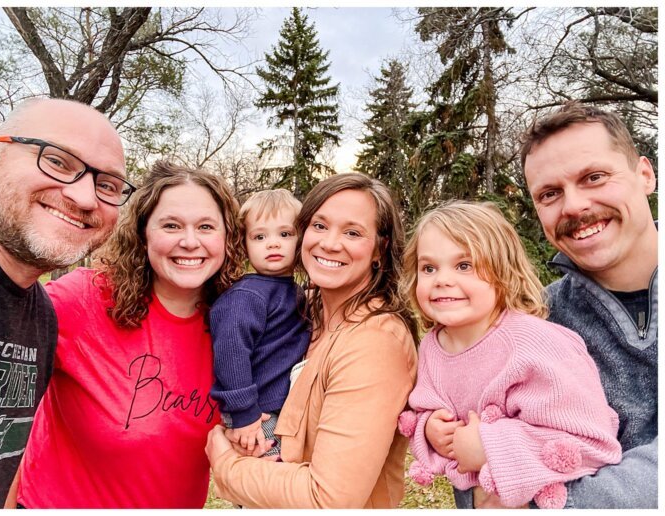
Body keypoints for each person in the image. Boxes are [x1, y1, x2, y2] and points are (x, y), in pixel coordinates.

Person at [456, 102, 658, 508]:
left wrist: (547, 502)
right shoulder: (529, 322)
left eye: (594, 177)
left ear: (645, 175)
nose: (573, 206)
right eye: (550, 194)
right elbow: (475, 476)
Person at [15, 161, 245, 508]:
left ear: (228, 237)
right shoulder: (83, 300)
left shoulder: (238, 326)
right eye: (171, 225)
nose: (189, 241)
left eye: (206, 227)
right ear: (143, 233)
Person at [206, 173, 419, 508]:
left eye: (352, 232)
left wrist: (226, 465)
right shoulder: (308, 312)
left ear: (380, 248)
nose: (330, 243)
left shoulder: (375, 342)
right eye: (320, 226)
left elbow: (329, 500)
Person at [397, 201, 621, 509]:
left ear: (503, 271)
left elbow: (591, 439)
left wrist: (490, 447)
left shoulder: (535, 343)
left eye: (464, 265)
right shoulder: (433, 347)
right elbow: (427, 405)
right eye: (429, 268)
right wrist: (430, 430)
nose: (442, 279)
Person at [0, 98, 130, 508]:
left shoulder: (42, 316)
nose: (85, 198)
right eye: (59, 162)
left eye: (108, 186)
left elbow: (10, 456)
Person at [209, 189, 310, 457]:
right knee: (267, 485)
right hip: (257, 413)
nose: (273, 244)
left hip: (281, 408)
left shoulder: (294, 291)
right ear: (244, 245)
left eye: (285, 234)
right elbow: (231, 354)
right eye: (260, 236)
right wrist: (244, 412)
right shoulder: (246, 295)